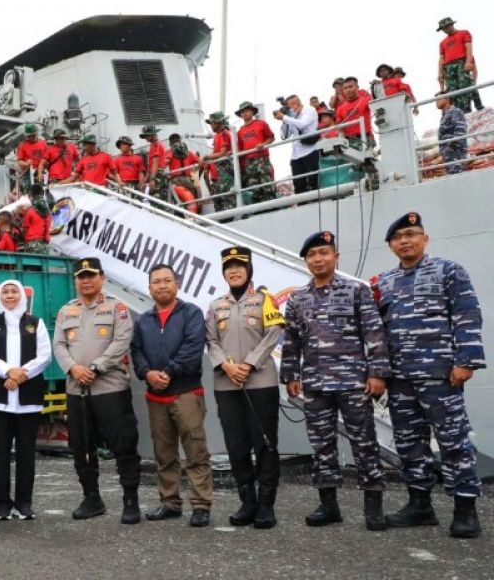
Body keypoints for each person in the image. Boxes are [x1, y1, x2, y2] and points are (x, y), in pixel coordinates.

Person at [372, 213, 485, 538]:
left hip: (440, 375)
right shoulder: (385, 281)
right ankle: (420, 505)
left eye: (411, 234)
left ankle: (465, 508)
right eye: (398, 237)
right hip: (401, 378)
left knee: (453, 440)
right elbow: (377, 330)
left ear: (425, 238)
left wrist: (467, 360)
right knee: (409, 443)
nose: (405, 241)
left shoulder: (448, 271)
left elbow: (467, 314)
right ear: (391, 245)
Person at [281, 232, 390, 531]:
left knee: (364, 443)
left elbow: (374, 333)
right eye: (312, 255)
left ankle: (373, 506)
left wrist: (377, 373)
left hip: (353, 382)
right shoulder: (298, 298)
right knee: (322, 445)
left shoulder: (356, 291)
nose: (318, 259)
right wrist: (291, 375)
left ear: (336, 256)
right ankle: (328, 506)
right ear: (306, 261)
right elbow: (291, 340)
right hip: (315, 385)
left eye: (324, 253)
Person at [53, 257, 140, 524]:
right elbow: (58, 345)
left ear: (101, 277)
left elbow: (122, 341)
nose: (86, 280)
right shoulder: (66, 311)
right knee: (81, 447)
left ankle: (130, 501)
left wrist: (95, 367)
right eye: (81, 276)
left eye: (91, 275)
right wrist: (73, 369)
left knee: (123, 445)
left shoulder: (117, 308)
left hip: (110, 389)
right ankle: (92, 498)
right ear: (76, 280)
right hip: (77, 389)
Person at [205, 248, 284, 529]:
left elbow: (273, 333)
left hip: (260, 382)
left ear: (249, 270)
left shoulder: (264, 300)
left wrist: (249, 364)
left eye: (240, 266)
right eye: (229, 267)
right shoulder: (216, 306)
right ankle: (247, 502)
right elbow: (210, 340)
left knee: (264, 444)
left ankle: (265, 505)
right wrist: (226, 365)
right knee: (236, 446)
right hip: (227, 385)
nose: (234, 271)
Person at [130, 264, 210, 527]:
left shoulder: (191, 313)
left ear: (177, 283)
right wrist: (147, 374)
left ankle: (200, 505)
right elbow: (136, 352)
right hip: (156, 397)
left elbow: (193, 347)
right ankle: (169, 502)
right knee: (164, 454)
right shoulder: (143, 320)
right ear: (149, 286)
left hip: (185, 392)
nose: (162, 286)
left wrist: (166, 372)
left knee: (195, 451)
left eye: (167, 280)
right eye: (156, 282)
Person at [0, 280, 51, 520]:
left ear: (22, 296)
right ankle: (3, 504)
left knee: (26, 454)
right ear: (0, 296)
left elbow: (45, 356)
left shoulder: (35, 323)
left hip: (28, 399)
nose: (9, 296)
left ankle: (24, 503)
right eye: (5, 292)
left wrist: (20, 375)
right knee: (0, 453)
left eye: (14, 292)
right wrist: (9, 371)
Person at [273, 95, 320, 194]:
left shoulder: (309, 110)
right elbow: (285, 135)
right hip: (296, 155)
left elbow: (302, 124)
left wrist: (284, 117)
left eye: (289, 107)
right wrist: (284, 120)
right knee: (298, 185)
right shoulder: (292, 117)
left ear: (296, 104)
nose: (289, 110)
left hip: (310, 151)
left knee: (313, 182)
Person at [234, 101, 277, 205]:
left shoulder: (261, 124)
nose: (245, 113)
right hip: (249, 163)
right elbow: (240, 149)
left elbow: (271, 137)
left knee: (267, 185)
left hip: (262, 159)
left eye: (247, 111)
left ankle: (272, 207)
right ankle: (259, 210)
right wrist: (232, 152)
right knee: (255, 188)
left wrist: (263, 144)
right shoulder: (240, 131)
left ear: (252, 112)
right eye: (242, 112)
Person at [437, 17, 482, 112]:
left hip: (461, 62)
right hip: (448, 67)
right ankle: (462, 111)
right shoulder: (442, 43)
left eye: (446, 27)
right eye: (443, 29)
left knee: (466, 85)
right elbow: (441, 59)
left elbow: (469, 48)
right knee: (453, 91)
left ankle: (478, 107)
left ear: (451, 25)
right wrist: (440, 73)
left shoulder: (464, 33)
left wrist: (468, 62)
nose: (445, 30)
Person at [425, 91, 469, 175]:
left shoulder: (455, 112)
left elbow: (460, 133)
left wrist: (448, 150)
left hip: (456, 154)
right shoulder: (444, 116)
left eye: (438, 99)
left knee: (457, 179)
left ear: (447, 99)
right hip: (449, 156)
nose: (436, 102)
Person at [200, 111, 235, 212]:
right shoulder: (217, 136)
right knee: (219, 196)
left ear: (219, 123)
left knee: (226, 196)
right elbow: (217, 153)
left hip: (226, 169)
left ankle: (228, 217)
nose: (211, 125)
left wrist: (206, 157)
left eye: (212, 123)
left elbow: (222, 153)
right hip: (220, 170)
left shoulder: (224, 134)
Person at [164, 135, 202, 213]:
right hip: (186, 179)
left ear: (170, 143)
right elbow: (199, 163)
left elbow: (166, 162)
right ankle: (196, 210)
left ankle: (191, 211)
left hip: (178, 180)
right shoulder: (188, 152)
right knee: (194, 193)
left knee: (183, 198)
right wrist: (194, 169)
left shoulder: (170, 152)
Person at [335, 77, 374, 150]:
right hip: (350, 141)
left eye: (351, 87)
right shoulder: (340, 108)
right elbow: (339, 127)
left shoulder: (366, 100)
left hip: (366, 137)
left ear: (357, 87)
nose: (348, 90)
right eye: (345, 88)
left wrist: (376, 86)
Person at [16, 123, 48, 195]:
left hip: (42, 170)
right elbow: (20, 161)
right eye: (29, 136)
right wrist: (26, 163)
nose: (30, 138)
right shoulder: (22, 146)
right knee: (28, 191)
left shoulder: (43, 143)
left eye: (32, 136)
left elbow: (47, 158)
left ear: (36, 134)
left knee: (44, 190)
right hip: (28, 172)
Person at [19, 184, 51, 254]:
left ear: (31, 194)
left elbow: (25, 229)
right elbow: (48, 226)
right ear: (42, 193)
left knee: (31, 265)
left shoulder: (30, 210)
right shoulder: (47, 211)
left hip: (32, 245)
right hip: (45, 246)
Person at [140, 125, 167, 199]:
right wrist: (146, 179)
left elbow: (155, 162)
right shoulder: (153, 145)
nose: (145, 138)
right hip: (153, 173)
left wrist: (152, 179)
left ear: (151, 134)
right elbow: (150, 165)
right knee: (146, 194)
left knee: (155, 196)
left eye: (146, 135)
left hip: (157, 173)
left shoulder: (156, 145)